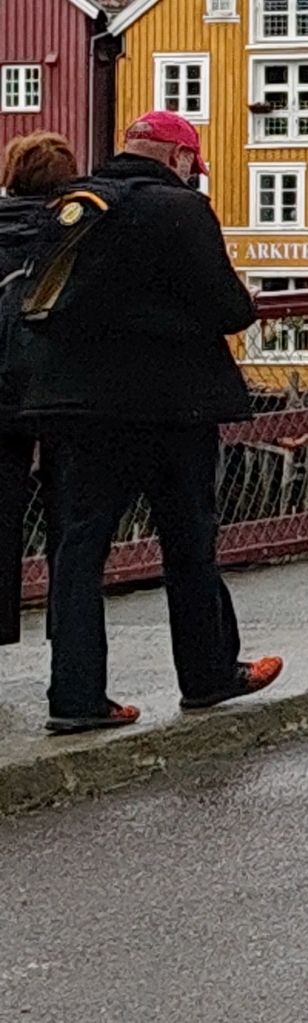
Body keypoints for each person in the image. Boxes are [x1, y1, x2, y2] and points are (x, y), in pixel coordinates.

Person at [27, 111, 279, 733]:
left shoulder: (74, 205)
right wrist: (243, 298)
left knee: (80, 549)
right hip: (173, 409)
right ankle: (207, 675)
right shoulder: (181, 210)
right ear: (181, 159)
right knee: (188, 541)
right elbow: (227, 310)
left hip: (81, 406)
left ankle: (77, 699)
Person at [0, 133, 73, 649]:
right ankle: (68, 644)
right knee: (72, 523)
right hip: (61, 387)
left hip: (0, 388)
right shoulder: (72, 232)